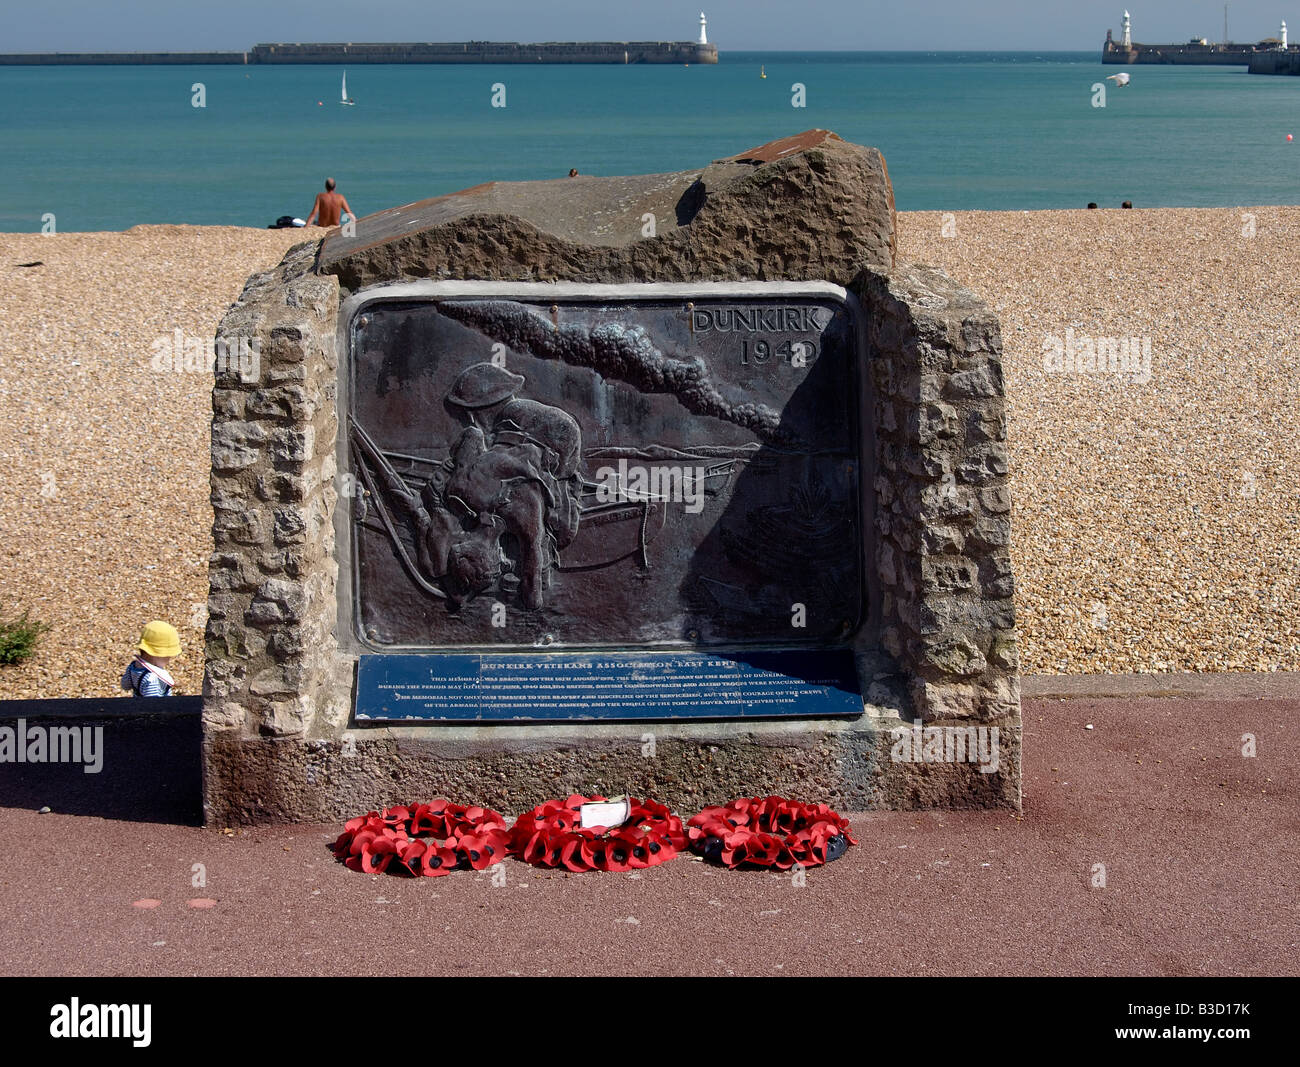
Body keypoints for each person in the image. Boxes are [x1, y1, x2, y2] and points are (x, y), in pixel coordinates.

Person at [120, 620, 181, 697]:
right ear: (153, 654)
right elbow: (152, 705)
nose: (169, 658)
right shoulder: (152, 679)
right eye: (167, 655)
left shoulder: (132, 667)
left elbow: (125, 686)